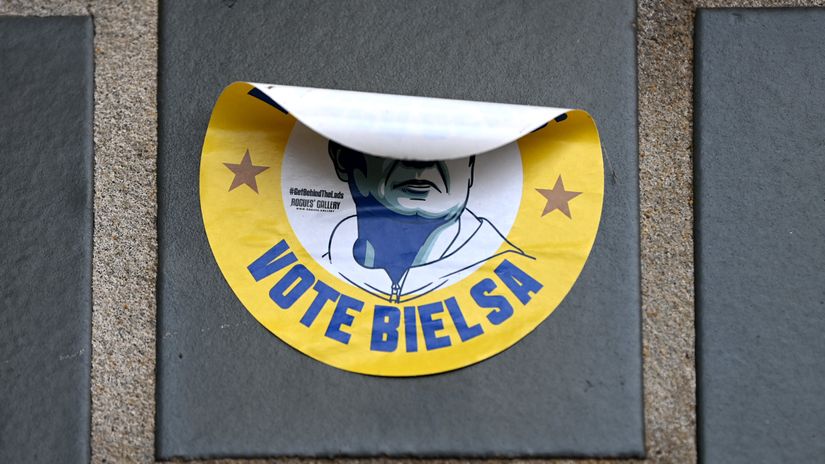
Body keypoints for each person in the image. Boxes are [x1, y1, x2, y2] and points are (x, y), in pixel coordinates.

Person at [324, 140, 529, 303]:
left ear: (471, 164)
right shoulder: (319, 262)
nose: (422, 162)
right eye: (394, 140)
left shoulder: (512, 270)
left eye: (447, 145)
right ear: (344, 159)